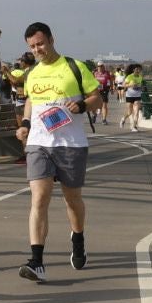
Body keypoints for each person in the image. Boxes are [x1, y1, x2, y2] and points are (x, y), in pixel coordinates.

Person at [14, 22, 102, 282]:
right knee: (39, 199)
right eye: (32, 46)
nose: (37, 49)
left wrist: (82, 106)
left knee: (72, 200)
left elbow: (96, 96)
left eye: (40, 43)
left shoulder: (74, 67)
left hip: (70, 144)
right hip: (39, 144)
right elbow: (30, 100)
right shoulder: (32, 73)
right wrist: (26, 125)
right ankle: (37, 261)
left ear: (52, 39)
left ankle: (77, 239)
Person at [120, 64, 146, 131]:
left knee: (136, 111)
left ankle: (134, 127)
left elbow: (140, 85)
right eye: (137, 69)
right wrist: (130, 85)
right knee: (130, 112)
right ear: (133, 70)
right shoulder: (129, 76)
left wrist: (141, 88)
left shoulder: (140, 77)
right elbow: (123, 85)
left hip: (137, 95)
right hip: (129, 95)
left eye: (139, 69)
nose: (138, 70)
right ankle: (123, 119)